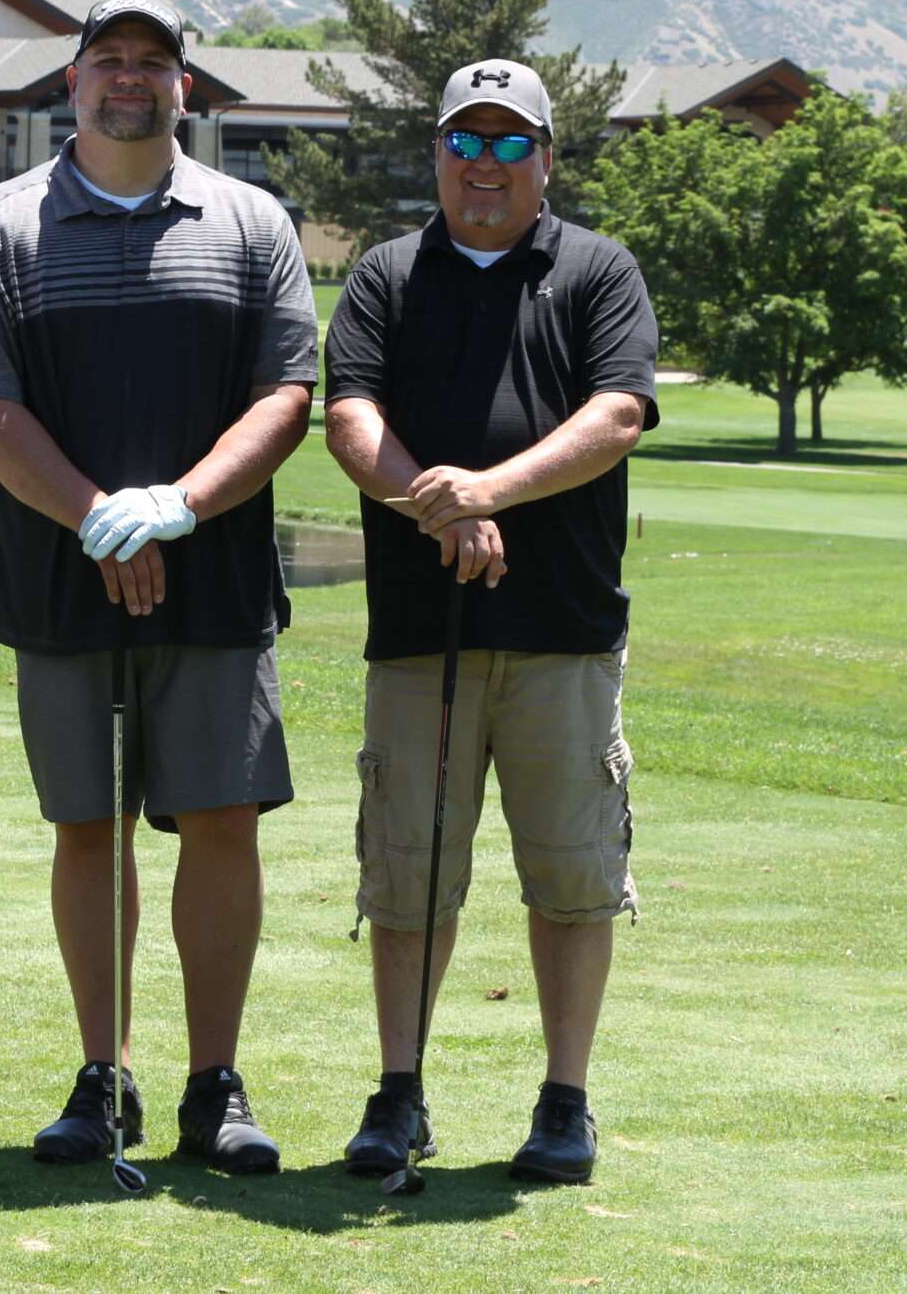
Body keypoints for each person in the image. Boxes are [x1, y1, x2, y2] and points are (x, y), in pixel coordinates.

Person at [0, 0, 319, 1175]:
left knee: (220, 822)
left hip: (217, 578)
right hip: (60, 580)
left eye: (154, 63)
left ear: (183, 88)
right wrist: (101, 518)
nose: (130, 80)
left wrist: (183, 505)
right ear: (74, 81)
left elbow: (285, 395)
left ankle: (216, 1083)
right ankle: (105, 1075)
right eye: (110, 60)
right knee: (88, 830)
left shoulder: (251, 220)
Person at [321, 58, 659, 1186]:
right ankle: (398, 1095)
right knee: (409, 873)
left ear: (546, 159)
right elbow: (352, 421)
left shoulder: (597, 272)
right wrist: (442, 509)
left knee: (570, 878)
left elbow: (614, 415)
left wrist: (487, 492)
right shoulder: (383, 277)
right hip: (422, 634)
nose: (484, 161)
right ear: (435, 153)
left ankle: (564, 1104)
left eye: (511, 142)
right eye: (464, 139)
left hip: (562, 631)